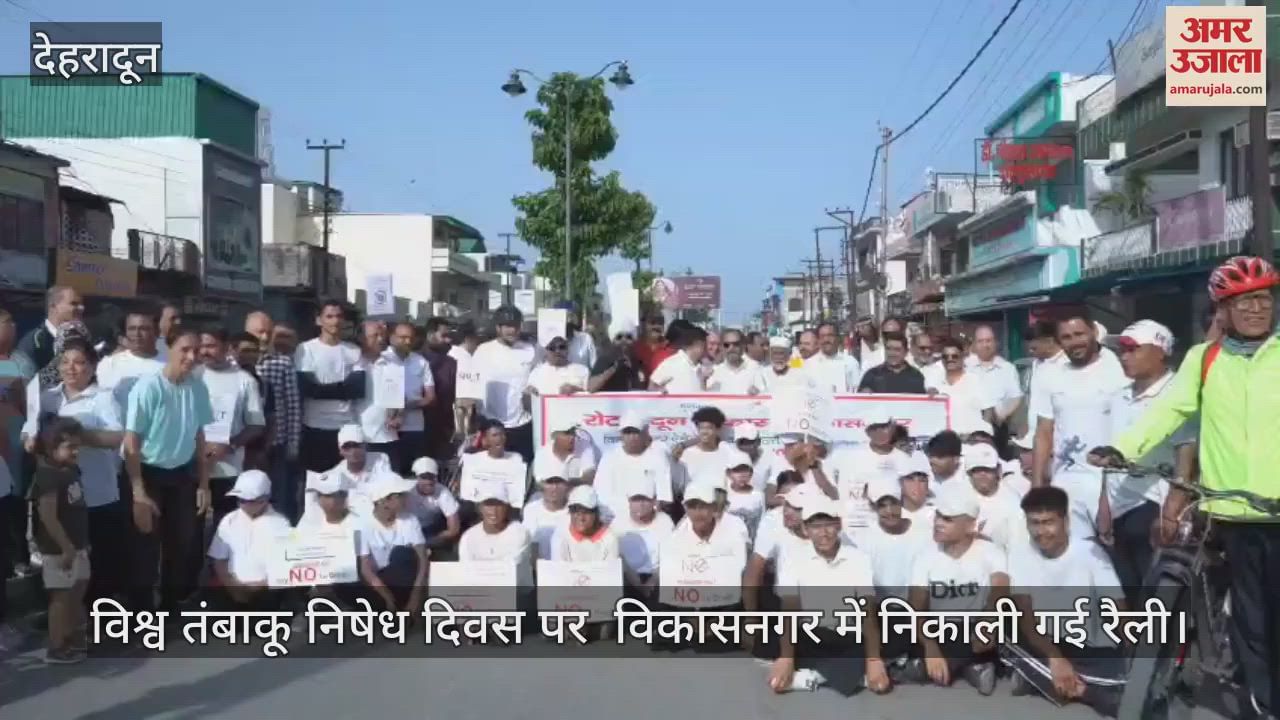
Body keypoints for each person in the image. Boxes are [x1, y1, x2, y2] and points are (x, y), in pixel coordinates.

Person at [1090, 256, 1280, 718]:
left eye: (1264, 299)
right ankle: (1262, 703)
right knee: (1252, 621)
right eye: (1243, 302)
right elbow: (1169, 411)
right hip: (1230, 514)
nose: (1256, 309)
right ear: (1223, 310)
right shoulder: (1204, 359)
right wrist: (1125, 448)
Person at [1001, 486, 1126, 714]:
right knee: (1006, 638)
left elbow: (1118, 608)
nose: (1041, 531)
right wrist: (1055, 658)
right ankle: (1085, 692)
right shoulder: (1020, 554)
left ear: (1066, 521)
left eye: (1048, 522)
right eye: (1034, 523)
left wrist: (1133, 652)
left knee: (1122, 677)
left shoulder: (1090, 552)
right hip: (1043, 641)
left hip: (1085, 643)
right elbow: (1026, 619)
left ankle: (1037, 677)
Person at [22, 340, 124, 607]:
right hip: (58, 494)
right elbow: (28, 428)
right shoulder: (47, 396)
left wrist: (76, 437)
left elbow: (117, 437)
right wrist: (29, 440)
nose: (71, 368)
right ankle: (60, 616)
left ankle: (96, 616)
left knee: (95, 561)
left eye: (79, 362)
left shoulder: (104, 397)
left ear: (92, 366)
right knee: (58, 556)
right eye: (65, 362)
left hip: (95, 492)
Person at [1102, 320, 1196, 603]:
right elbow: (1112, 456)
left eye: (1132, 349)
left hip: (1154, 506)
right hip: (1119, 507)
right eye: (1121, 350)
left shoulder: (1179, 394)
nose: (1123, 356)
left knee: (1157, 598)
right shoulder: (1118, 396)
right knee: (1129, 595)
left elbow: (1187, 454)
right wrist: (1103, 504)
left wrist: (1171, 510)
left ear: (1160, 351)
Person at [124, 327, 213, 612]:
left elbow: (200, 436)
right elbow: (132, 442)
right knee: (145, 546)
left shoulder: (198, 387)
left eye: (196, 350)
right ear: (169, 350)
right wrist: (138, 492)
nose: (191, 356)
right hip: (148, 473)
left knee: (181, 543)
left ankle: (172, 606)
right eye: (184, 349)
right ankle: (141, 612)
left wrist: (204, 484)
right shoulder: (148, 387)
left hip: (182, 474)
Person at [769, 494, 889, 696]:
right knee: (771, 638)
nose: (823, 533)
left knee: (892, 630)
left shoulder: (858, 558)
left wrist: (873, 659)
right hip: (811, 635)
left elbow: (867, 611)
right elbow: (789, 610)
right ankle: (849, 676)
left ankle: (812, 677)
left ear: (839, 526)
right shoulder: (792, 559)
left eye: (829, 525)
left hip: (847, 635)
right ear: (806, 530)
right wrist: (786, 657)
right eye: (815, 526)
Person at [1029, 311, 1127, 541]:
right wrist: (1037, 486)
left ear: (1093, 332)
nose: (1074, 342)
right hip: (1066, 481)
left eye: (1079, 334)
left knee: (1112, 556)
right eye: (1067, 337)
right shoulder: (1050, 375)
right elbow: (1043, 432)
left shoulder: (1118, 367)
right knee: (1073, 552)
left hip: (1111, 484)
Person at [905, 484, 1007, 695]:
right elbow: (916, 608)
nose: (938, 523)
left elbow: (1000, 590)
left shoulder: (991, 551)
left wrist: (989, 621)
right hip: (940, 628)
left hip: (976, 625)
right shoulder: (924, 555)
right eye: (938, 516)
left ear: (970, 526)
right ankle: (973, 668)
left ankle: (927, 668)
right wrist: (930, 648)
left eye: (947, 519)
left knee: (1005, 625)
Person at [195, 327, 266, 534]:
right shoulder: (191, 377)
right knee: (189, 534)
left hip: (229, 469)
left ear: (227, 348)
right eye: (201, 347)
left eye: (211, 346)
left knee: (225, 529)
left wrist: (231, 445)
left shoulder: (245, 380)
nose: (205, 351)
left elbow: (256, 425)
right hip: (193, 467)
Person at [30, 417, 90, 664]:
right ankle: (56, 647)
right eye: (69, 447)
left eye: (78, 445)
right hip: (58, 550)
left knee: (78, 590)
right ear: (51, 448)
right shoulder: (47, 476)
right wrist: (66, 548)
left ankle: (74, 636)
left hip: (77, 546)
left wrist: (81, 545)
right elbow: (48, 516)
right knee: (61, 597)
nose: (76, 451)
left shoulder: (71, 470)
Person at [206, 469, 290, 610]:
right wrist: (234, 587)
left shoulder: (282, 524)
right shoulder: (229, 520)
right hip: (231, 587)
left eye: (249, 501)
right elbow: (219, 560)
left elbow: (286, 566)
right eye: (241, 500)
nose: (244, 505)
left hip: (266, 590)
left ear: (265, 499)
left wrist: (261, 585)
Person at [296, 301, 364, 473]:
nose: (335, 321)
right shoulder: (306, 349)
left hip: (346, 426)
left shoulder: (354, 350)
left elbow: (356, 389)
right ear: (319, 320)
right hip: (315, 426)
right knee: (318, 481)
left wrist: (322, 389)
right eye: (329, 316)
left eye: (339, 316)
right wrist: (342, 389)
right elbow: (308, 389)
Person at [828, 412, 910, 541]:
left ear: (892, 427)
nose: (880, 432)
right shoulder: (847, 455)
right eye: (874, 428)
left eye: (884, 426)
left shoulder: (904, 460)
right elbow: (832, 489)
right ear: (867, 432)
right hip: (851, 532)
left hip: (888, 535)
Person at [474, 306, 538, 463]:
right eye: (508, 326)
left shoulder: (530, 350)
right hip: (492, 425)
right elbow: (472, 384)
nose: (512, 330)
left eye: (516, 326)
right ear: (498, 328)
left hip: (522, 423)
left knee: (523, 470)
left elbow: (539, 376)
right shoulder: (484, 350)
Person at [357, 473, 428, 612]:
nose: (406, 498)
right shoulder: (362, 524)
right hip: (378, 581)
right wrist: (386, 596)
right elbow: (365, 569)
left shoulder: (410, 520)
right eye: (401, 495)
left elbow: (422, 559)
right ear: (385, 501)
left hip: (404, 578)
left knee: (402, 554)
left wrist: (416, 596)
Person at [742, 476, 812, 616]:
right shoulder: (774, 520)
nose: (786, 511)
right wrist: (751, 619)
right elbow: (754, 570)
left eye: (795, 505)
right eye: (784, 503)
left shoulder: (829, 526)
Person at [858, 475, 933, 600]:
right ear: (873, 506)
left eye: (894, 504)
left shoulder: (925, 532)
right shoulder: (863, 540)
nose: (889, 511)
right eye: (882, 505)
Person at [256, 324, 302, 521]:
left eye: (267, 332)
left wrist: (293, 443)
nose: (264, 337)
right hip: (248, 442)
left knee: (280, 497)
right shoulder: (236, 362)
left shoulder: (283, 363)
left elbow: (293, 405)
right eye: (259, 332)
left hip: (278, 441)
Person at [593, 412, 675, 520]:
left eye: (635, 432)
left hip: (648, 519)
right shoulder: (609, 456)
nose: (631, 437)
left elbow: (664, 498)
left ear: (645, 433)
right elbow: (600, 495)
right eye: (627, 432)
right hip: (613, 519)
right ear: (621, 434)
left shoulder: (658, 457)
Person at [308, 424, 392, 522]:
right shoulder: (335, 474)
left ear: (365, 445)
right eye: (347, 447)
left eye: (356, 445)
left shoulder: (381, 459)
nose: (353, 451)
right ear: (340, 451)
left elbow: (387, 489)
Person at [457, 483, 534, 587]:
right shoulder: (468, 537)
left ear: (507, 506)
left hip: (517, 594)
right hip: (481, 592)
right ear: (480, 507)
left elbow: (508, 572)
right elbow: (466, 571)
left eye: (499, 504)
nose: (493, 511)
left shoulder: (520, 533)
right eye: (488, 504)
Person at [610, 475, 673, 599]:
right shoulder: (618, 522)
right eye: (636, 500)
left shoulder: (665, 521)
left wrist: (653, 580)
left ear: (654, 501)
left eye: (645, 500)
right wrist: (636, 583)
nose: (641, 504)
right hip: (627, 577)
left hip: (657, 576)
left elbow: (670, 556)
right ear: (629, 501)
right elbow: (616, 556)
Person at [386, 321, 436, 476]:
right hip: (386, 429)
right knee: (391, 475)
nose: (407, 341)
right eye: (402, 337)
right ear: (392, 338)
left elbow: (430, 397)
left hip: (414, 428)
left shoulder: (420, 362)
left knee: (413, 474)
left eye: (410, 338)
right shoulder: (382, 360)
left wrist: (405, 406)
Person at [960, 444, 1025, 552]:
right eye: (977, 470)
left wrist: (988, 543)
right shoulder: (958, 496)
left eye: (987, 469)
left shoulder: (1013, 500)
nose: (982, 474)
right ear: (969, 473)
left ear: (998, 470)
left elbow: (1018, 544)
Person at [926, 338, 996, 437]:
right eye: (945, 357)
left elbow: (988, 411)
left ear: (962, 357)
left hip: (972, 440)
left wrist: (982, 435)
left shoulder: (976, 380)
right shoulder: (935, 382)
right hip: (944, 442)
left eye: (954, 356)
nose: (950, 359)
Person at [674, 406, 751, 495]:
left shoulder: (730, 452)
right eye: (701, 428)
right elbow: (681, 486)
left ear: (718, 429)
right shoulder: (687, 454)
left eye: (709, 428)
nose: (704, 432)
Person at [96, 310, 165, 408]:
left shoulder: (168, 365)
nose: (137, 334)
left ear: (157, 332)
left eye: (143, 329)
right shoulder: (109, 364)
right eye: (132, 329)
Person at [457, 419, 528, 511]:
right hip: (477, 509)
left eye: (502, 434)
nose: (500, 438)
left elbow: (516, 495)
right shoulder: (473, 459)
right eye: (494, 435)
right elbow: (467, 493)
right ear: (485, 440)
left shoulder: (517, 459)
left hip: (505, 509)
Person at [18, 286, 85, 373]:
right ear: (53, 307)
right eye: (74, 303)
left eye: (81, 304)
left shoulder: (82, 341)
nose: (81, 308)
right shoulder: (33, 343)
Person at [419, 317, 458, 466]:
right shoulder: (413, 361)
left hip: (443, 432)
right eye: (444, 336)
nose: (448, 341)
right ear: (430, 335)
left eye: (450, 337)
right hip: (415, 430)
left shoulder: (451, 364)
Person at [405, 457, 460, 553]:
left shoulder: (443, 492)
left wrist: (435, 539)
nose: (428, 481)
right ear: (417, 478)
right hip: (409, 528)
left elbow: (453, 529)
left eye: (431, 477)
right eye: (424, 477)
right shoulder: (407, 491)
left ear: (436, 477)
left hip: (432, 530)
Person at [550, 485, 618, 561]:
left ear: (595, 513)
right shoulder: (560, 535)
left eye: (586, 512)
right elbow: (559, 570)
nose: (581, 518)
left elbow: (610, 571)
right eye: (575, 511)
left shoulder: (610, 538)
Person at [522, 468, 571, 560]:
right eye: (550, 483)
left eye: (559, 483)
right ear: (542, 485)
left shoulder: (574, 511)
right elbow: (530, 544)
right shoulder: (531, 509)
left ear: (567, 486)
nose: (554, 488)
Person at [532, 419, 597, 486]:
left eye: (573, 432)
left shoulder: (584, 446)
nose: (572, 437)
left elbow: (590, 476)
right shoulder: (542, 455)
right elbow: (540, 485)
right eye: (567, 433)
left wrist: (567, 486)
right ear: (556, 436)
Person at [857, 332, 926, 394]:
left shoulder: (916, 376)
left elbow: (922, 405)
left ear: (906, 352)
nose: (892, 353)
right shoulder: (872, 375)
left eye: (897, 350)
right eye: (888, 349)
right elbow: (859, 404)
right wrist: (863, 394)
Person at [448, 320, 483, 442]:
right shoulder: (454, 355)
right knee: (460, 437)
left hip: (471, 406)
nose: (478, 343)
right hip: (459, 407)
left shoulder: (470, 356)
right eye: (476, 339)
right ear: (469, 338)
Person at [650, 323, 708, 393]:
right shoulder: (672, 363)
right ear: (694, 345)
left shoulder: (701, 367)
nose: (706, 350)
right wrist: (663, 393)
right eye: (703, 346)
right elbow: (652, 386)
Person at [589, 322, 645, 392]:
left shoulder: (637, 362)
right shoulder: (604, 360)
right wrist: (613, 369)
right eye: (619, 337)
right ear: (613, 341)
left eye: (628, 337)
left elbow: (643, 388)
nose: (624, 340)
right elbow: (590, 387)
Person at [807, 322, 861, 393]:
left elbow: (857, 392)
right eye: (822, 336)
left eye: (830, 335)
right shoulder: (809, 364)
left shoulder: (850, 362)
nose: (826, 339)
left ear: (838, 338)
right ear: (818, 340)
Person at [707, 328, 763, 394]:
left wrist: (759, 394)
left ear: (743, 346)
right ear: (721, 347)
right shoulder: (714, 372)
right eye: (726, 345)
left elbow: (767, 398)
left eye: (736, 344)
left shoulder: (756, 369)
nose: (731, 348)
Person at [724, 457, 765, 540]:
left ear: (751, 473)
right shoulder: (723, 494)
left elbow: (761, 523)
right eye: (737, 471)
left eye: (745, 470)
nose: (742, 475)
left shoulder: (759, 495)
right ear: (729, 473)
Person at [555, 301, 598, 370]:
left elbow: (595, 367)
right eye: (565, 316)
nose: (569, 320)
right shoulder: (546, 342)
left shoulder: (586, 339)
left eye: (571, 315)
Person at [634, 311, 674, 378]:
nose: (656, 326)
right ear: (644, 325)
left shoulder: (670, 348)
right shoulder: (635, 348)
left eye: (660, 323)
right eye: (652, 322)